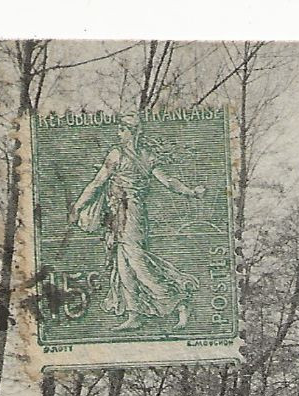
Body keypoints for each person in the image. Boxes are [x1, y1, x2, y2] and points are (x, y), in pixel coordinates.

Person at [69, 114, 205, 330]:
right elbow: (169, 182)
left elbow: (97, 183)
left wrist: (77, 206)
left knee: (137, 262)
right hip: (123, 214)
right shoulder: (146, 155)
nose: (118, 133)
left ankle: (179, 300)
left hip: (129, 215)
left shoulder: (119, 154)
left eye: (122, 129)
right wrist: (191, 192)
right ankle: (135, 314)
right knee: (123, 264)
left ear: (131, 131)